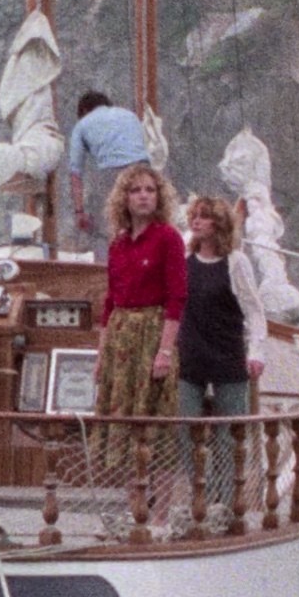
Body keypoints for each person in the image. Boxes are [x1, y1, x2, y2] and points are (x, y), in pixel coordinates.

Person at [176, 194, 267, 510]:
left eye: (204, 216)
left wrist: (256, 352)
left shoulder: (235, 263)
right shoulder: (185, 261)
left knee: (229, 436)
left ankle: (226, 505)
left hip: (227, 355)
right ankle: (203, 493)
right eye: (194, 215)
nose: (196, 221)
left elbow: (254, 310)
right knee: (185, 428)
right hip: (191, 358)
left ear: (219, 223)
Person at [94, 163, 186, 471]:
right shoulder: (117, 244)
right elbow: (110, 301)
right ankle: (132, 496)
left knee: (155, 420)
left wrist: (165, 351)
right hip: (121, 338)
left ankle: (157, 503)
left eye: (150, 190)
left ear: (159, 197)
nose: (143, 196)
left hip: (153, 335)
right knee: (122, 416)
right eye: (136, 190)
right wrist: (101, 353)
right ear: (125, 198)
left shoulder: (169, 238)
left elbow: (177, 297)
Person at [67, 90, 150, 259]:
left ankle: (104, 269)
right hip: (143, 170)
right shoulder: (130, 115)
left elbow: (75, 172)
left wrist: (79, 211)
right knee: (144, 226)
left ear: (84, 110)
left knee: (104, 231)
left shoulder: (82, 124)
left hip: (110, 173)